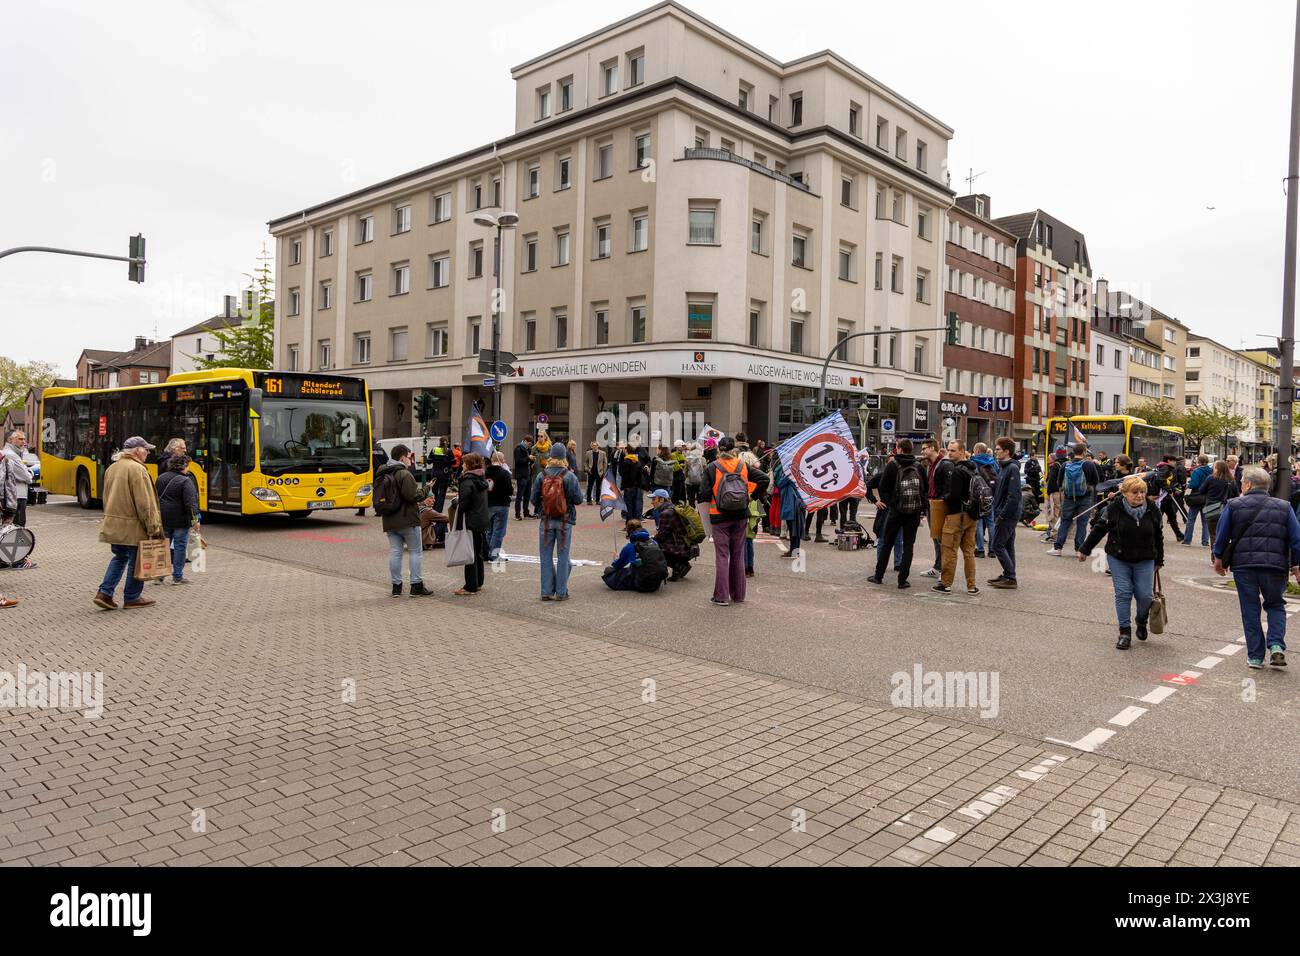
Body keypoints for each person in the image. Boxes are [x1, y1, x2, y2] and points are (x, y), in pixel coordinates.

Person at [1213, 465, 1298, 668]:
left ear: (1249, 484)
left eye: (1242, 482)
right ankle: (1276, 645)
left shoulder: (1234, 505)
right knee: (1276, 605)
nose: (1241, 485)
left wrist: (1218, 557)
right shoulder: (1284, 507)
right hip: (1275, 566)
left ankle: (1255, 656)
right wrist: (1296, 565)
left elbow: (1222, 534)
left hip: (1245, 566)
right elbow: (1297, 539)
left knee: (1250, 609)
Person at [1079, 474, 1164, 650]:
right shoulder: (1114, 508)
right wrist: (1085, 549)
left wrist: (1159, 560)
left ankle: (1141, 620)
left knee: (1145, 596)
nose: (1140, 496)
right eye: (1135, 492)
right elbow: (1099, 530)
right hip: (1119, 558)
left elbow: (1158, 536)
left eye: (1142, 492)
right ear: (1124, 493)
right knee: (1123, 593)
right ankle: (1125, 632)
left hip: (1145, 558)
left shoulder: (1153, 509)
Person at [94, 437, 165, 610]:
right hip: (133, 525)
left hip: (114, 523)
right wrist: (153, 526)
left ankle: (104, 593)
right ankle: (132, 597)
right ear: (136, 451)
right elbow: (145, 503)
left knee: (120, 557)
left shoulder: (112, 468)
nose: (148, 453)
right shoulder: (137, 469)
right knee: (136, 560)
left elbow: (106, 497)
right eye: (146, 449)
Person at [375, 445, 434, 597]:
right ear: (402, 457)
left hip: (389, 519)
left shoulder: (383, 472)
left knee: (395, 553)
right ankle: (416, 586)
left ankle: (396, 587)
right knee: (415, 553)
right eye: (409, 457)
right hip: (407, 520)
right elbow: (412, 496)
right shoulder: (404, 474)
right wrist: (426, 489)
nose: (410, 460)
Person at [705, 437, 756, 606]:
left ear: (719, 450)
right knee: (738, 555)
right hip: (740, 515)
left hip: (719, 516)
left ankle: (721, 596)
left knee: (722, 556)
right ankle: (738, 595)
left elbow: (703, 494)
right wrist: (751, 496)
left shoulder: (712, 467)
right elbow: (763, 479)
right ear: (734, 450)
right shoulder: (743, 466)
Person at [868, 439, 925, 589]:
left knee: (887, 543)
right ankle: (902, 580)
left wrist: (891, 503)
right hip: (913, 512)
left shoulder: (892, 465)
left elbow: (883, 487)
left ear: (899, 449)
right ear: (911, 449)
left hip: (895, 511)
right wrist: (921, 510)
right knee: (908, 546)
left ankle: (878, 576)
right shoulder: (919, 466)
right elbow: (924, 489)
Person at [533, 446, 582, 601]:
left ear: (551, 456)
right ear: (564, 457)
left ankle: (546, 591)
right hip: (564, 521)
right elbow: (578, 499)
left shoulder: (542, 475)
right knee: (563, 557)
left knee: (545, 557)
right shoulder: (569, 476)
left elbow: (533, 499)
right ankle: (561, 592)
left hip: (546, 521)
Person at [935, 441, 980, 595]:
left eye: (953, 450)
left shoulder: (957, 471)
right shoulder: (974, 469)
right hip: (972, 515)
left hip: (956, 515)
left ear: (962, 451)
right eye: (949, 450)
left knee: (949, 550)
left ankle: (945, 584)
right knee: (969, 552)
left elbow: (954, 496)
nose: (949, 453)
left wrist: (944, 498)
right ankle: (972, 586)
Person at [1047, 443, 1100, 556]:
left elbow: (1059, 482)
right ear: (1084, 452)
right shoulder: (1089, 464)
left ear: (1073, 452)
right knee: (1082, 523)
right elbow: (1096, 480)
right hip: (1085, 498)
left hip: (1068, 498)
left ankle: (1058, 548)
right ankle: (1078, 550)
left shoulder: (1065, 465)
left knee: (1065, 522)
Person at [155, 453, 200, 585]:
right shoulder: (186, 480)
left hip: (163, 518)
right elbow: (190, 503)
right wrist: (195, 520)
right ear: (184, 465)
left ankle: (160, 576)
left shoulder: (161, 478)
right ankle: (177, 576)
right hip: (180, 519)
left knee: (163, 546)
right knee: (180, 547)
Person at [987, 437, 1022, 589]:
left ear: (1007, 451)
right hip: (1005, 512)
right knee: (1007, 544)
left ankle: (1010, 576)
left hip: (1008, 514)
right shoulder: (1003, 467)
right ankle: (1009, 575)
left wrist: (1002, 514)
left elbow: (1014, 496)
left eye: (998, 449)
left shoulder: (1012, 468)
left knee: (997, 545)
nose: (995, 452)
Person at [453, 452, 490, 596]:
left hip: (470, 521)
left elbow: (464, 504)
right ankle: (479, 581)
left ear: (469, 465)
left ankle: (470, 586)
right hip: (481, 520)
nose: (462, 466)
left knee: (469, 554)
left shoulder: (467, 481)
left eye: (464, 463)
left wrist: (456, 502)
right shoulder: (481, 478)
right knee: (478, 552)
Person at [603, 519, 669, 592]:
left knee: (608, 571)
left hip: (642, 582)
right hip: (657, 582)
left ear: (628, 530)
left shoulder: (630, 546)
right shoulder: (653, 541)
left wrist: (615, 558)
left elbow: (618, 565)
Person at [918, 439, 952, 579]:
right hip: (932, 505)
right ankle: (938, 567)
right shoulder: (931, 464)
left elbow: (948, 487)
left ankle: (944, 571)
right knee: (936, 538)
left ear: (932, 448)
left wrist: (940, 502)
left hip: (939, 505)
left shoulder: (944, 464)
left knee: (942, 540)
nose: (922, 451)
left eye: (924, 448)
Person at [1, 431, 35, 567]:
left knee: (7, 530)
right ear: (10, 440)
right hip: (16, 497)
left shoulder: (11, 454)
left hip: (11, 497)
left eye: (24, 439)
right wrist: (29, 473)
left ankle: (5, 560)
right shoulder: (11, 455)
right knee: (17, 528)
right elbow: (27, 477)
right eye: (20, 439)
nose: (24, 442)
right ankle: (18, 561)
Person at [652, 490, 697, 581]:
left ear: (661, 499)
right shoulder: (673, 508)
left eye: (654, 499)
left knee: (652, 547)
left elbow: (661, 535)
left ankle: (678, 566)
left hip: (681, 548)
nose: (652, 502)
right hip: (689, 546)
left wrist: (651, 539)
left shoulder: (666, 513)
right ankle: (683, 564)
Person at [1201, 459, 1239, 551]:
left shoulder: (1210, 478)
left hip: (1211, 508)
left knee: (1213, 534)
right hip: (1226, 509)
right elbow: (1237, 496)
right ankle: (1223, 555)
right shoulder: (1231, 480)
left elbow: (1202, 490)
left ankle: (1214, 555)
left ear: (1216, 468)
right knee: (1224, 534)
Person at [970, 443, 999, 558]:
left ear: (977, 450)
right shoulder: (993, 462)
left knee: (979, 523)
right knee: (991, 523)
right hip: (990, 496)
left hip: (978, 497)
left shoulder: (973, 462)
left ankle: (980, 549)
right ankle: (992, 550)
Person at [484, 451, 513, 561]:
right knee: (499, 531)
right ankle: (494, 555)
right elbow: (509, 490)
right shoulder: (504, 473)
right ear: (502, 460)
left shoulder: (485, 472)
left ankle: (486, 553)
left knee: (489, 530)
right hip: (502, 504)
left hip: (488, 504)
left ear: (492, 460)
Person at [1182, 454, 1214, 546]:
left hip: (1196, 497)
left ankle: (1187, 540)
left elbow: (1194, 484)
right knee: (1205, 521)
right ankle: (1205, 541)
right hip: (1207, 498)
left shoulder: (1196, 471)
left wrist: (1188, 484)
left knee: (1191, 520)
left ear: (1199, 461)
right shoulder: (1211, 471)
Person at [619, 448, 647, 520]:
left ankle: (629, 521)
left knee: (628, 505)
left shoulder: (626, 462)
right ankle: (635, 520)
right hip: (637, 486)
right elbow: (640, 475)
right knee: (635, 504)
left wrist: (622, 487)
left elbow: (624, 476)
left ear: (626, 451)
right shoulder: (637, 461)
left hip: (628, 486)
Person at [514, 436, 535, 518]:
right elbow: (518, 461)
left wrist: (532, 460)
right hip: (521, 475)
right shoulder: (518, 448)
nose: (530, 446)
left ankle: (526, 512)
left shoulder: (528, 449)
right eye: (529, 444)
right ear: (525, 441)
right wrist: (528, 458)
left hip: (528, 474)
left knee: (527, 495)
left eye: (531, 445)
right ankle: (517, 514)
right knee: (519, 495)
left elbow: (527, 461)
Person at [684, 442, 705, 507]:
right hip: (700, 482)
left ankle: (692, 512)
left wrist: (687, 477)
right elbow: (705, 470)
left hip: (689, 482)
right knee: (700, 500)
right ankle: (700, 512)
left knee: (691, 499)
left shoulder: (687, 459)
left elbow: (685, 471)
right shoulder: (702, 459)